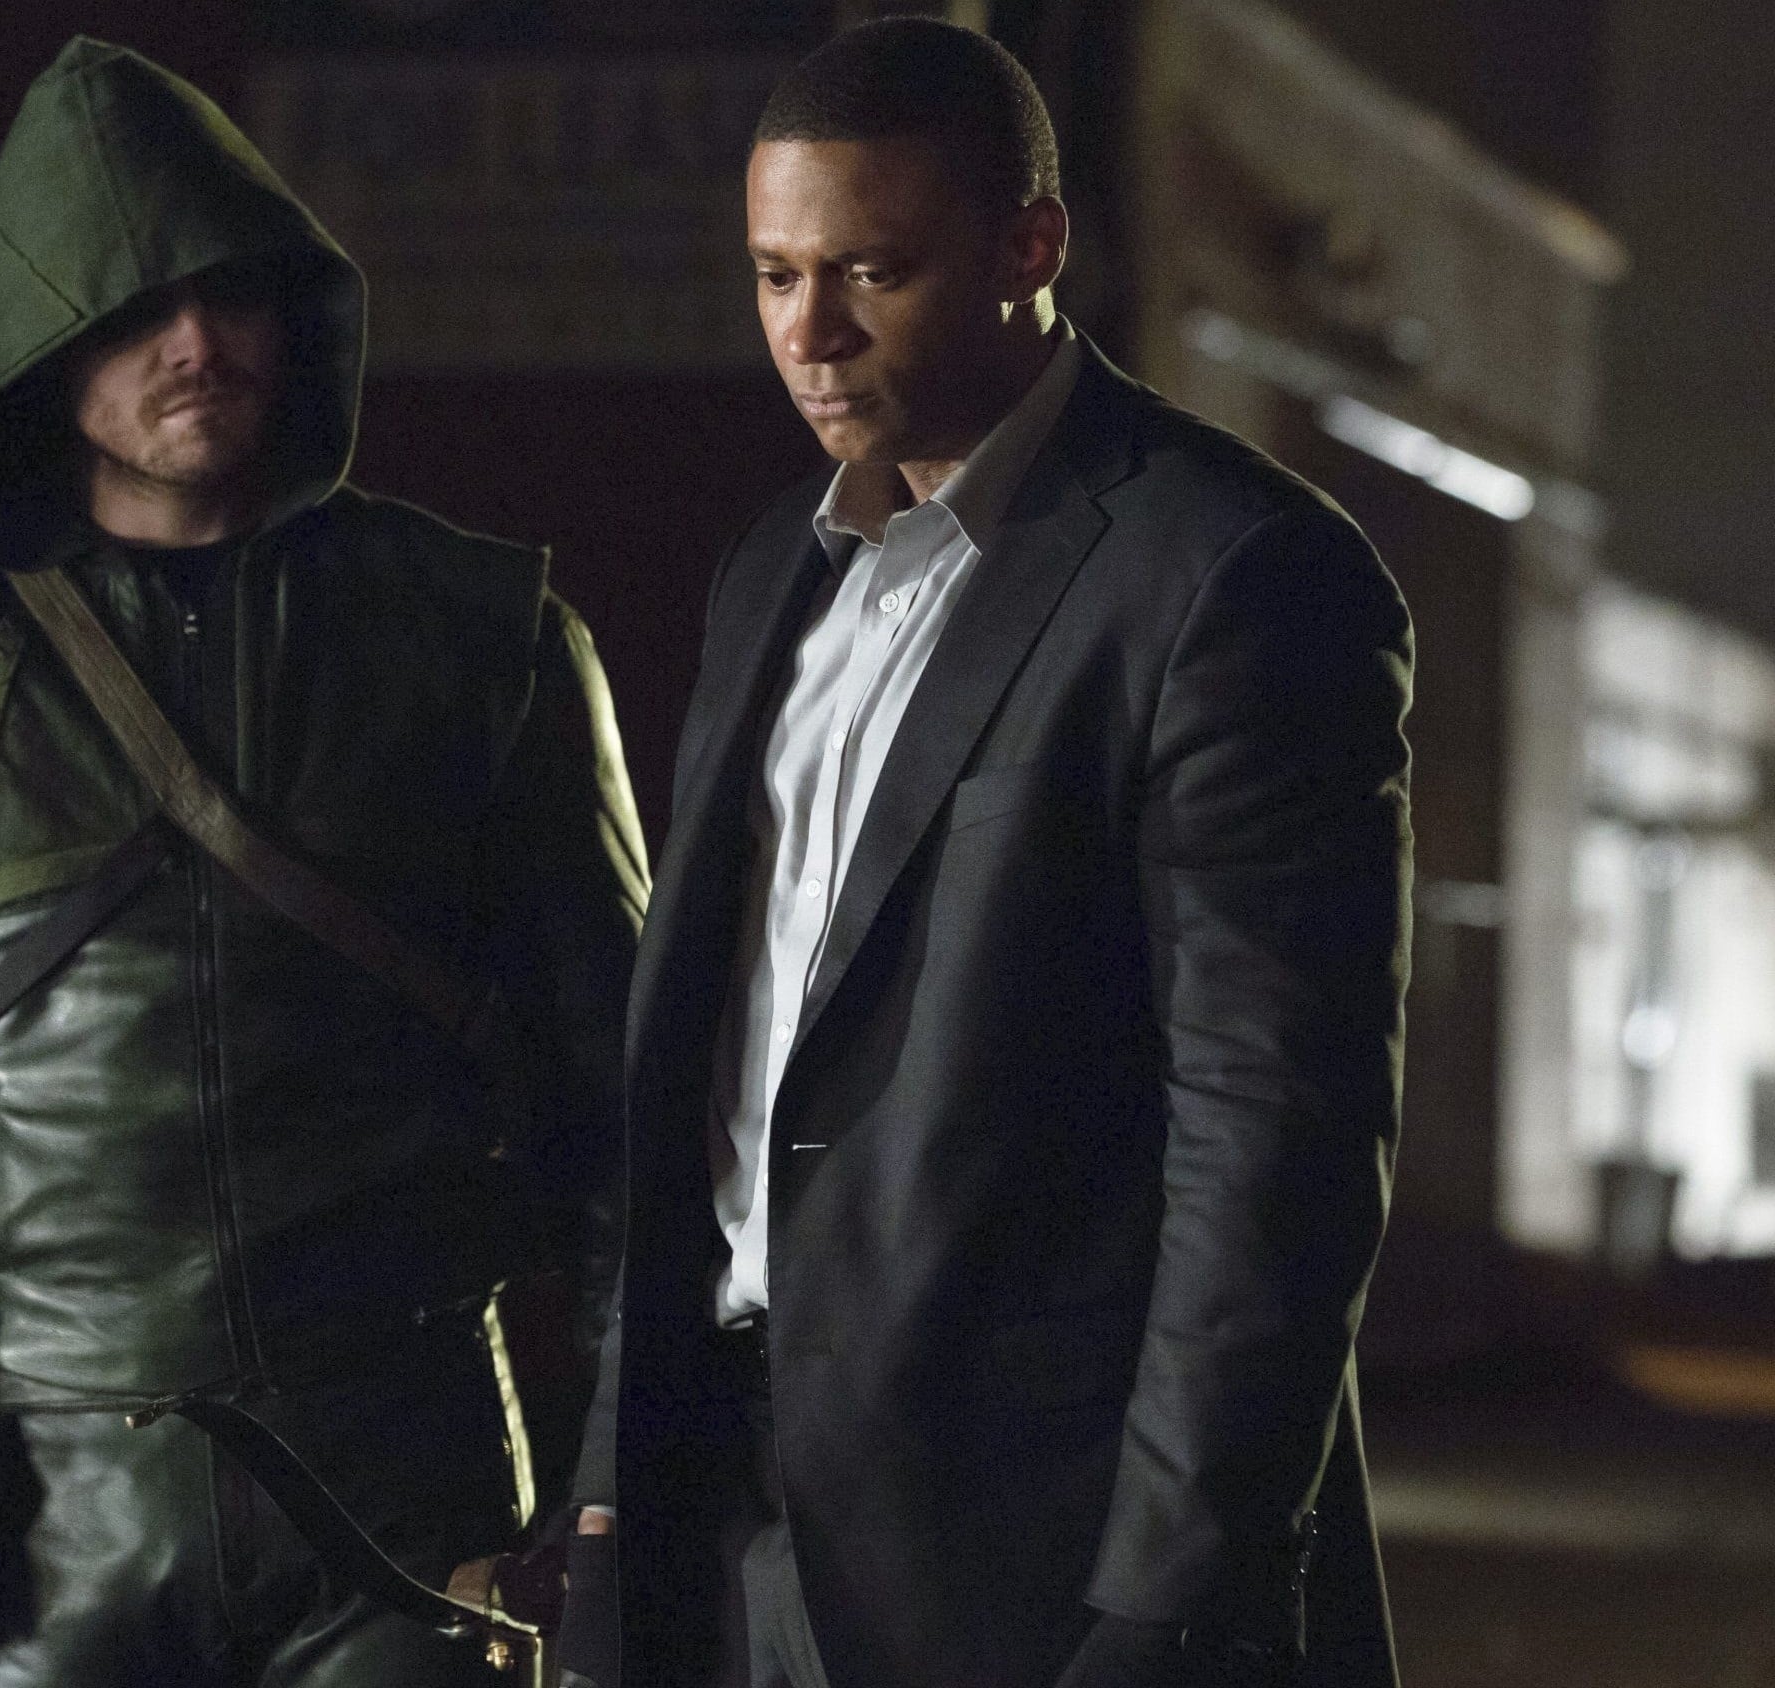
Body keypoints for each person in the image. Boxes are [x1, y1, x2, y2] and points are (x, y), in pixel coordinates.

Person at [0, 38, 646, 1687]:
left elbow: (627, 1096)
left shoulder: (485, 640)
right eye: (136, 306)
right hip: (59, 1525)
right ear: (41, 341)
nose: (199, 342)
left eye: (229, 293)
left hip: (415, 1497)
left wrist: (622, 1474)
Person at [559, 20, 1409, 1688]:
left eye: (872, 273)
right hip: (723, 1514)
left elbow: (1275, 1141)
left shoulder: (1233, 575)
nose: (808, 334)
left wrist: (1174, 1596)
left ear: (1032, 248)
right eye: (775, 275)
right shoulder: (775, 572)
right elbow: (703, 1071)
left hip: (1031, 1551)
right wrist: (607, 1491)